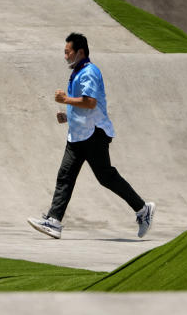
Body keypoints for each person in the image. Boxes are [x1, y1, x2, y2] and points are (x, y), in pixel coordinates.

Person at [28, 32, 155, 239]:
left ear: (80, 52)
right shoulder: (78, 72)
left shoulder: (89, 72)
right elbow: (84, 106)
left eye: (67, 52)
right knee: (65, 176)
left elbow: (90, 102)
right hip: (78, 135)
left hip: (94, 135)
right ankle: (54, 221)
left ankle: (143, 209)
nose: (65, 56)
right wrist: (67, 116)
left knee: (106, 177)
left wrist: (65, 99)